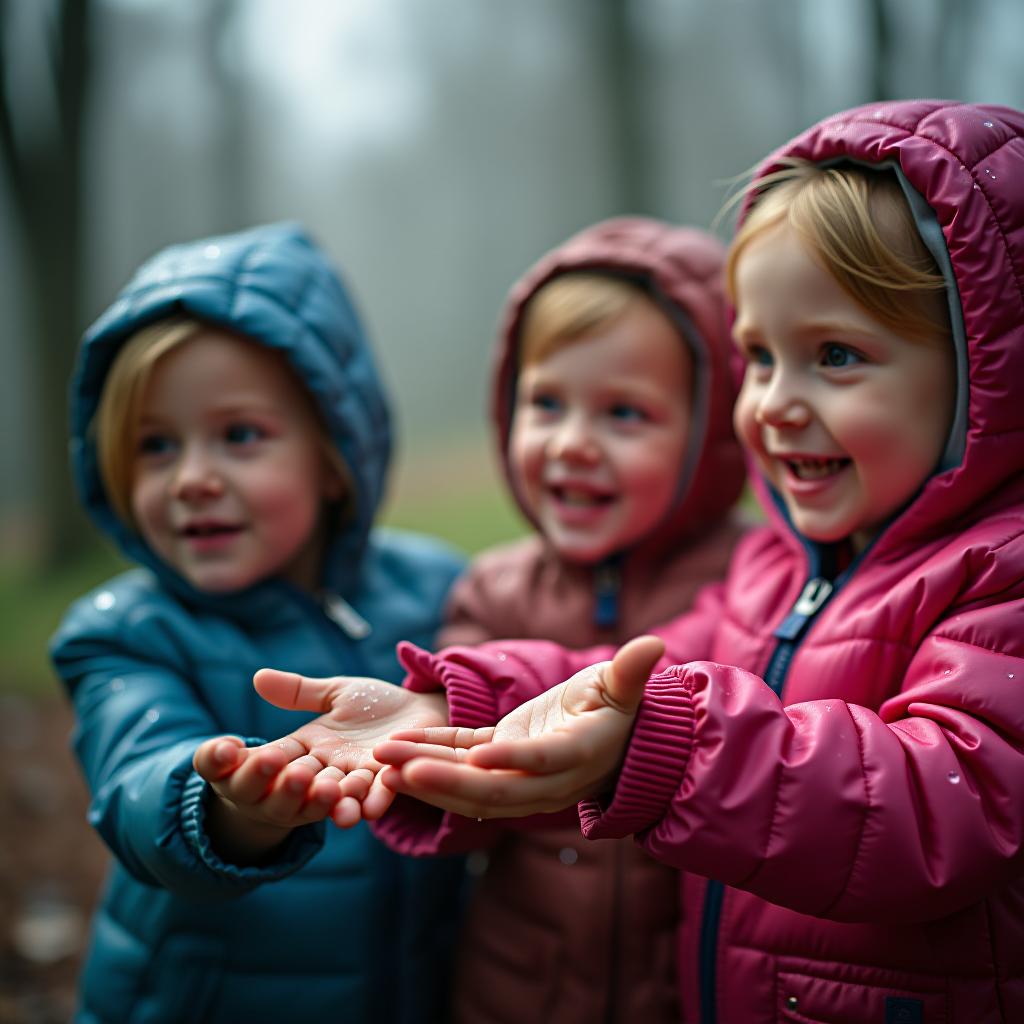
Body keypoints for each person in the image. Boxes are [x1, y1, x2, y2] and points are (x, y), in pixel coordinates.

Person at [239, 100, 1024, 1023]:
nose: (774, 402)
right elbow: (616, 686)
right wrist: (460, 709)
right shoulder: (783, 570)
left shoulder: (999, 574)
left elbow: (950, 802)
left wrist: (659, 747)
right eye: (759, 359)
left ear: (985, 366)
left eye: (836, 355)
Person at [49, 222, 467, 1024]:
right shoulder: (126, 635)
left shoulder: (438, 589)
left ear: (334, 455)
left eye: (239, 436)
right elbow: (136, 783)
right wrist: (235, 808)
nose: (193, 480)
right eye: (156, 447)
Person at [388, 217, 744, 1022]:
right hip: (519, 988)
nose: (572, 444)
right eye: (546, 403)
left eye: (624, 414)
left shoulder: (752, 581)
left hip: (685, 989)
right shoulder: (495, 590)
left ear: (711, 433)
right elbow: (469, 807)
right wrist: (431, 762)